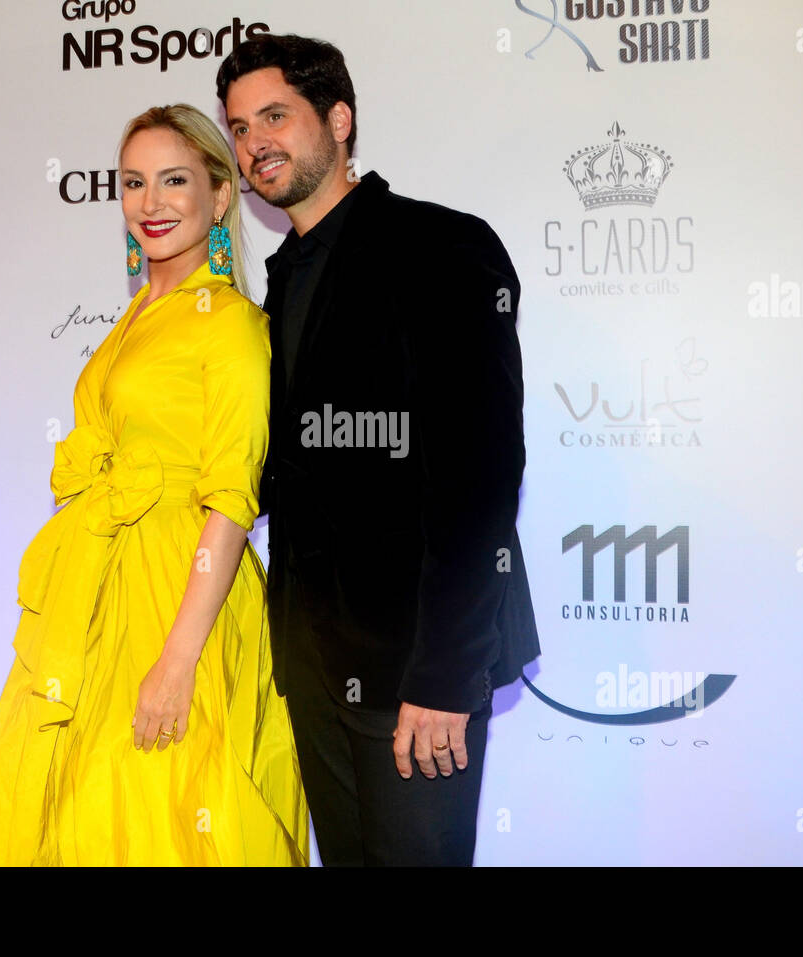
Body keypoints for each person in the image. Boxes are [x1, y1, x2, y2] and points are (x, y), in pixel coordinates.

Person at [217, 35, 540, 866]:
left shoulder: (441, 247)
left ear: (339, 118)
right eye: (240, 127)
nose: (257, 143)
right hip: (316, 666)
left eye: (276, 117)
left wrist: (444, 677)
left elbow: (481, 483)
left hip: (415, 666)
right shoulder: (283, 276)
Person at [0, 103, 307, 866]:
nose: (150, 203)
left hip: (179, 597)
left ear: (221, 197)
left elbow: (230, 498)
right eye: (133, 183)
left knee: (163, 819)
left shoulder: (232, 328)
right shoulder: (138, 316)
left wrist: (178, 658)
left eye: (174, 180)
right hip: (100, 596)